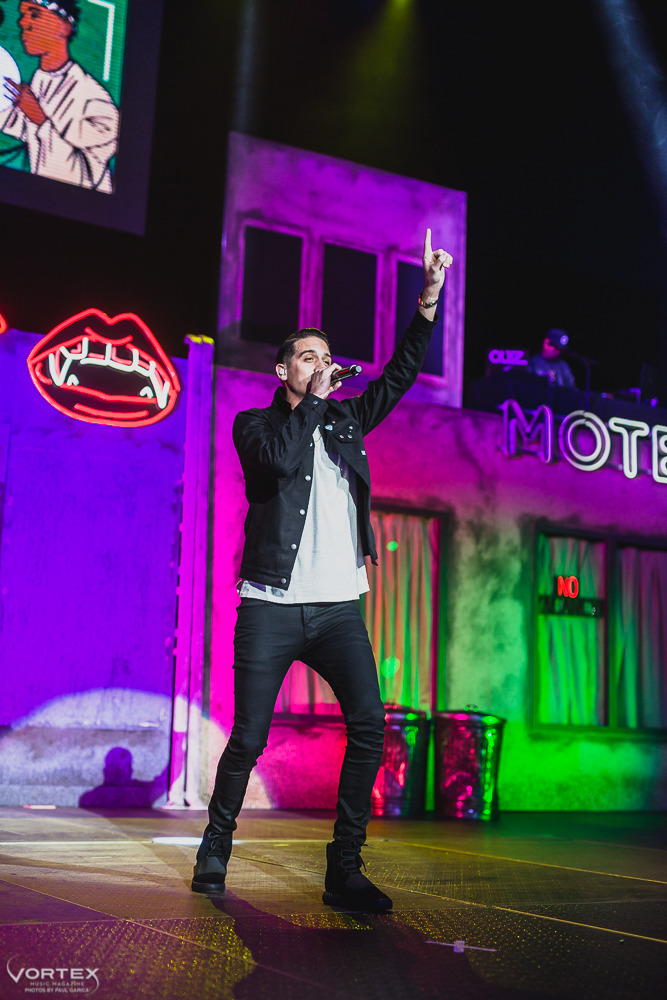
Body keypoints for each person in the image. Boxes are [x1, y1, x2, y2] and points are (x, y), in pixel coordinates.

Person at [192, 229, 453, 912]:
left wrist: (427, 301)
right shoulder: (255, 423)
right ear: (284, 370)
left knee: (368, 726)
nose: (322, 364)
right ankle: (215, 844)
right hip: (272, 605)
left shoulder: (343, 423)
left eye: (328, 357)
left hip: (338, 607)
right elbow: (277, 462)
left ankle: (344, 866)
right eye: (308, 357)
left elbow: (397, 374)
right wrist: (312, 401)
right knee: (247, 736)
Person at [0, 1, 118, 191]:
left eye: (35, 14)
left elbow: (79, 178)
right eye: (23, 15)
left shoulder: (95, 102)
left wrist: (38, 117)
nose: (23, 23)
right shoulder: (41, 79)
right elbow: (26, 128)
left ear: (65, 26)